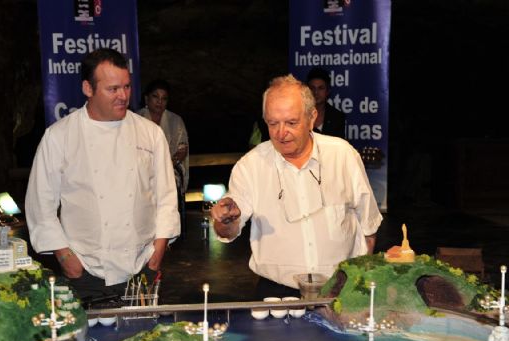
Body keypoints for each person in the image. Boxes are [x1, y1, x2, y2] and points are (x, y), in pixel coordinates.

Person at [24, 48, 180, 303]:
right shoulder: (59, 136)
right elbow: (40, 205)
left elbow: (166, 198)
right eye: (113, 89)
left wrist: (157, 254)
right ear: (88, 88)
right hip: (84, 271)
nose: (123, 96)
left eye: (127, 87)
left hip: (142, 267)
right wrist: (66, 257)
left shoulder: (150, 133)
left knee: (144, 329)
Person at [211, 75, 382, 299]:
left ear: (312, 118)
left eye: (291, 123)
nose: (281, 133)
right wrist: (226, 219)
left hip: (342, 290)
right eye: (273, 123)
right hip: (276, 295)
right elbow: (227, 231)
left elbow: (369, 227)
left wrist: (359, 285)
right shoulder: (250, 166)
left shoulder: (343, 156)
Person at [137, 79, 189, 194]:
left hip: (169, 170)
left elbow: (182, 150)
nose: (159, 101)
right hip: (141, 172)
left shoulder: (175, 121)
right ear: (146, 98)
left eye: (164, 98)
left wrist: (165, 167)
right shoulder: (136, 119)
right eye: (155, 96)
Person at [306, 67, 346, 139]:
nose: (316, 92)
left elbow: (339, 144)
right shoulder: (300, 114)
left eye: (320, 88)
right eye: (312, 88)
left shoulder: (337, 117)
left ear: (327, 91)